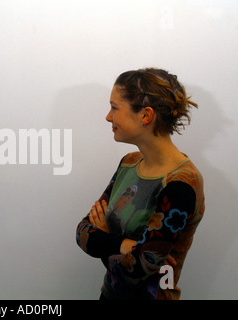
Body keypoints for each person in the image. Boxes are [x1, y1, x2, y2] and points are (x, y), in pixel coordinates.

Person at [76, 68, 205, 300]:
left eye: (114, 108)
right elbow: (83, 232)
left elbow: (138, 268)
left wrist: (105, 237)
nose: (108, 116)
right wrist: (126, 246)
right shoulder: (128, 163)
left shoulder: (181, 183)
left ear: (145, 116)